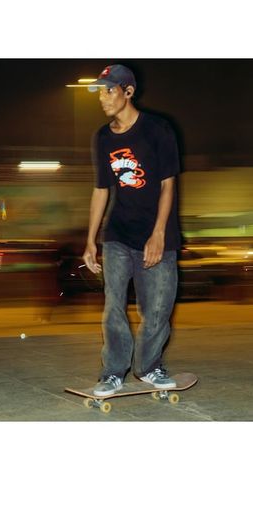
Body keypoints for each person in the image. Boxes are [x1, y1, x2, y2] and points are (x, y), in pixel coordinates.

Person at [82, 63, 182, 397]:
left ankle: (149, 366)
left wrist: (158, 234)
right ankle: (113, 372)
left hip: (158, 235)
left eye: (109, 90)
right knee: (113, 305)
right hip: (119, 235)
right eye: (100, 91)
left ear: (128, 92)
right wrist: (90, 240)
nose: (103, 97)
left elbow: (168, 186)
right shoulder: (103, 137)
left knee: (156, 309)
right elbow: (101, 190)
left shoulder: (158, 130)